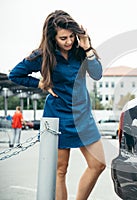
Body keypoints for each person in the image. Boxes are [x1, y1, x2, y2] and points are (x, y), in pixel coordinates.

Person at [8, 10, 106, 200]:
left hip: (83, 116)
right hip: (58, 116)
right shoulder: (43, 55)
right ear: (52, 38)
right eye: (63, 38)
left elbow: (97, 74)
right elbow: (15, 75)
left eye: (71, 36)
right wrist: (39, 84)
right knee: (61, 170)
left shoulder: (79, 51)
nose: (69, 41)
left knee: (98, 164)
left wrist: (87, 47)